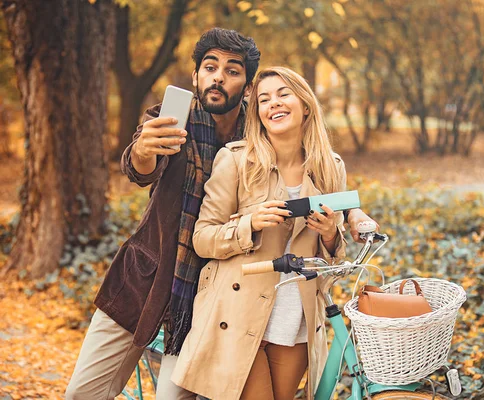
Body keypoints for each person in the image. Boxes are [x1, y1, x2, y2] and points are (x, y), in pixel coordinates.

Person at [66, 27, 377, 399]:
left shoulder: (261, 132)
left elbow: (321, 181)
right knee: (82, 393)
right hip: (147, 279)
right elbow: (140, 166)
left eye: (232, 70)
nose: (218, 77)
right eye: (210, 67)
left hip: (211, 292)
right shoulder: (174, 121)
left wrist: (350, 217)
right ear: (196, 76)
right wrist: (144, 149)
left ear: (246, 86)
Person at [170, 67, 347, 400]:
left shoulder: (329, 166)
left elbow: (333, 255)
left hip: (295, 319)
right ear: (259, 114)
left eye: (283, 94)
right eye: (264, 99)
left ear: (305, 105)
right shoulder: (237, 161)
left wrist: (329, 234)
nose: (273, 104)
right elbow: (202, 237)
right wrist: (249, 224)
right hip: (237, 313)